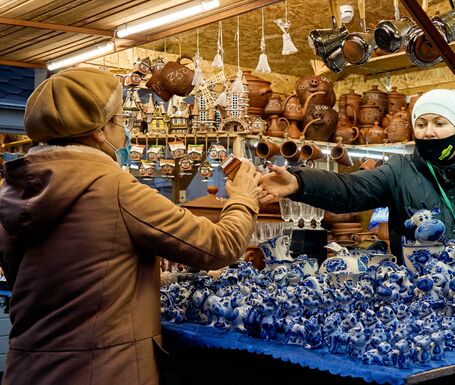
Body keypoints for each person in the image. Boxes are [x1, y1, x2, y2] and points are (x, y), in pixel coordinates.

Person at [0, 67, 261, 385]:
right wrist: (243, 198)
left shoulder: (14, 191)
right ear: (99, 131)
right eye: (122, 121)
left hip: (27, 367)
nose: (124, 133)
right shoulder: (115, 188)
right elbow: (219, 246)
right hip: (102, 370)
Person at [260, 89, 455, 262]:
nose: (429, 133)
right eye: (421, 124)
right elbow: (350, 189)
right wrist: (299, 182)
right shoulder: (399, 171)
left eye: (440, 123)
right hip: (418, 293)